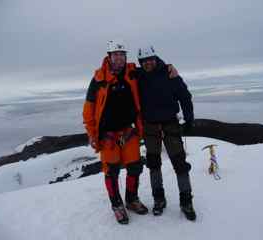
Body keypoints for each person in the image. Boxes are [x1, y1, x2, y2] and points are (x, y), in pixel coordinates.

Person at [83, 40, 148, 224]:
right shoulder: (99, 79)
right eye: (116, 55)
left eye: (122, 54)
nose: (119, 58)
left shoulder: (132, 73)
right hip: (108, 135)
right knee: (111, 172)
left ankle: (131, 199)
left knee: (135, 167)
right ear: (109, 57)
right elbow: (89, 109)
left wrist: (168, 67)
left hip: (129, 132)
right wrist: (91, 132)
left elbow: (152, 69)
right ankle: (117, 205)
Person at [135, 46, 197, 221]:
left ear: (156, 58)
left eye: (151, 59)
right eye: (144, 61)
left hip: (170, 123)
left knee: (179, 163)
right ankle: (159, 200)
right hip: (149, 126)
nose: (148, 63)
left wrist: (189, 119)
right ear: (141, 62)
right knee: (154, 164)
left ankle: (186, 202)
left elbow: (185, 96)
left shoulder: (170, 74)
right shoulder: (138, 76)